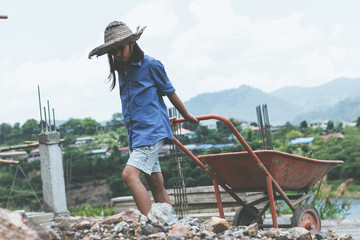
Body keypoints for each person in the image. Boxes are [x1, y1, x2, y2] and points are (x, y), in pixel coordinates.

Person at [88, 21, 198, 215]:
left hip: (151, 130)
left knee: (129, 175)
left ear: (132, 44)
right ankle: (170, 225)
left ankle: (151, 224)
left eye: (120, 49)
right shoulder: (122, 70)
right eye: (113, 52)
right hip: (137, 134)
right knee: (155, 183)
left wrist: (186, 116)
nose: (117, 54)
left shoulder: (151, 65)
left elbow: (170, 92)